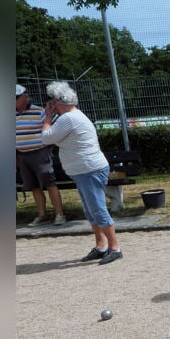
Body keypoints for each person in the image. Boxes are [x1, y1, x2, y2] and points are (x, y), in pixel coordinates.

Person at [39, 81, 124, 265]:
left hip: (89, 170)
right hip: (85, 170)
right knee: (90, 210)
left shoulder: (67, 118)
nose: (49, 105)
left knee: (97, 209)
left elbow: (46, 138)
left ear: (57, 103)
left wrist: (47, 118)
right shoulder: (72, 116)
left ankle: (115, 247)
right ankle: (101, 246)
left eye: (51, 102)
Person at [16, 84, 66, 226]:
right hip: (22, 155)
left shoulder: (39, 111)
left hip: (40, 153)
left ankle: (59, 214)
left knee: (49, 183)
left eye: (16, 97)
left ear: (25, 97)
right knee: (34, 187)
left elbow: (54, 128)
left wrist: (48, 146)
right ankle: (42, 215)